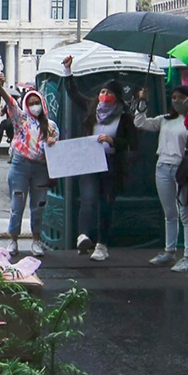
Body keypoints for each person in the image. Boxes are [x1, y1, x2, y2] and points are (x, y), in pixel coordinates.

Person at [61, 58, 138, 262]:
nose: (104, 96)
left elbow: (132, 142)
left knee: (106, 203)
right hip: (89, 161)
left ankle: (102, 244)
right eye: (102, 92)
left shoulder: (124, 117)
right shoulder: (92, 108)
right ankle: (83, 236)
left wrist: (113, 141)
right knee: (87, 199)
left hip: (111, 165)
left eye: (109, 93)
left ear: (117, 97)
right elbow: (73, 93)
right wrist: (68, 70)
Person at [136, 84, 188, 272]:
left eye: (182, 97)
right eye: (174, 97)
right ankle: (169, 252)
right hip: (163, 166)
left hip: (184, 169)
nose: (176, 100)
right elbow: (140, 122)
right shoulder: (164, 119)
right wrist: (142, 101)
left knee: (187, 213)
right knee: (170, 214)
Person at [1, 82, 59, 256]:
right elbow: (11, 103)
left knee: (39, 205)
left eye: (37, 102)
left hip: (41, 168)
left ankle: (36, 240)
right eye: (31, 103)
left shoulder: (51, 126)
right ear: (26, 105)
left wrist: (51, 143)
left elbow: (56, 151)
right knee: (17, 203)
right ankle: (13, 240)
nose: (35, 106)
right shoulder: (21, 119)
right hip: (20, 165)